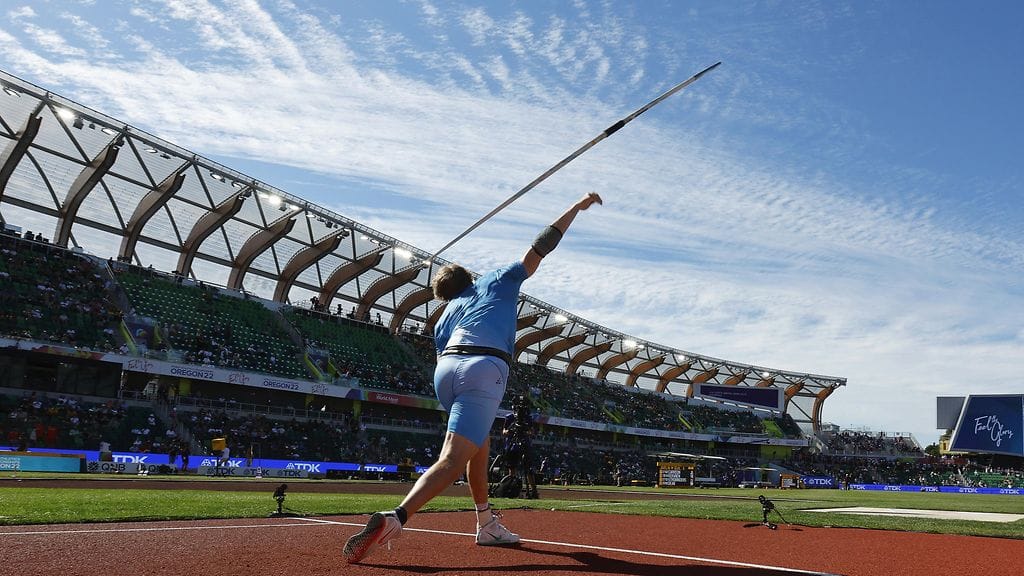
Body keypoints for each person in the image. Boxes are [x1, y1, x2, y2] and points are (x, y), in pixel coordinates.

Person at [343, 192, 603, 564]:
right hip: (483, 367)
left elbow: (442, 354)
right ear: (470, 277)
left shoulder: (446, 313)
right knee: (451, 459)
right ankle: (396, 517)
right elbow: (541, 246)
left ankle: (485, 523)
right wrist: (576, 208)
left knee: (479, 446)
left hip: (446, 372)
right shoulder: (496, 280)